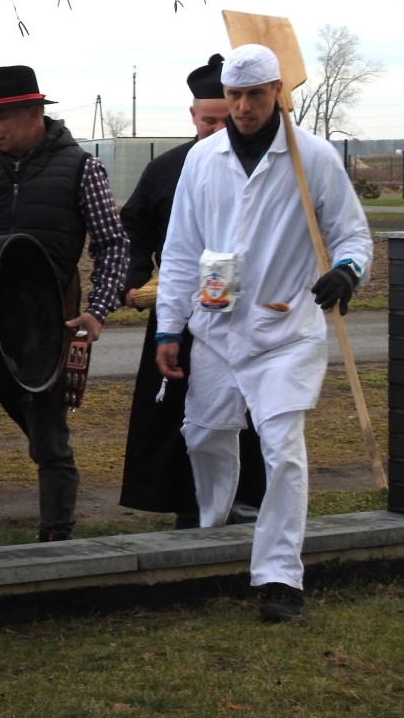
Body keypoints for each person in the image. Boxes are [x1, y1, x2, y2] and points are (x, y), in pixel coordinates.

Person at [155, 43, 372, 622]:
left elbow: (352, 235)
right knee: (204, 436)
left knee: (283, 451)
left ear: (278, 91)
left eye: (255, 95)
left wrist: (347, 271)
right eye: (234, 95)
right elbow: (180, 249)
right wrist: (168, 328)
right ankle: (212, 533)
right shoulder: (203, 160)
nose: (244, 107)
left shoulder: (312, 157)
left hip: (286, 329)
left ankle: (281, 575)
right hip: (217, 327)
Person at [0, 65, 129, 541]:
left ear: (33, 114)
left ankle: (56, 537)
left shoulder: (81, 167)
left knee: (50, 445)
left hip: (42, 332)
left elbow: (113, 244)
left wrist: (97, 310)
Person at [118, 53, 265, 528]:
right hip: (179, 312)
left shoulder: (265, 166)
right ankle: (188, 505)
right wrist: (135, 278)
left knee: (248, 413)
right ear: (193, 116)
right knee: (178, 416)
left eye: (226, 120)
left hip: (248, 316)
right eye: (209, 122)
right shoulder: (168, 169)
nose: (219, 130)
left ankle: (248, 501)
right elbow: (133, 226)